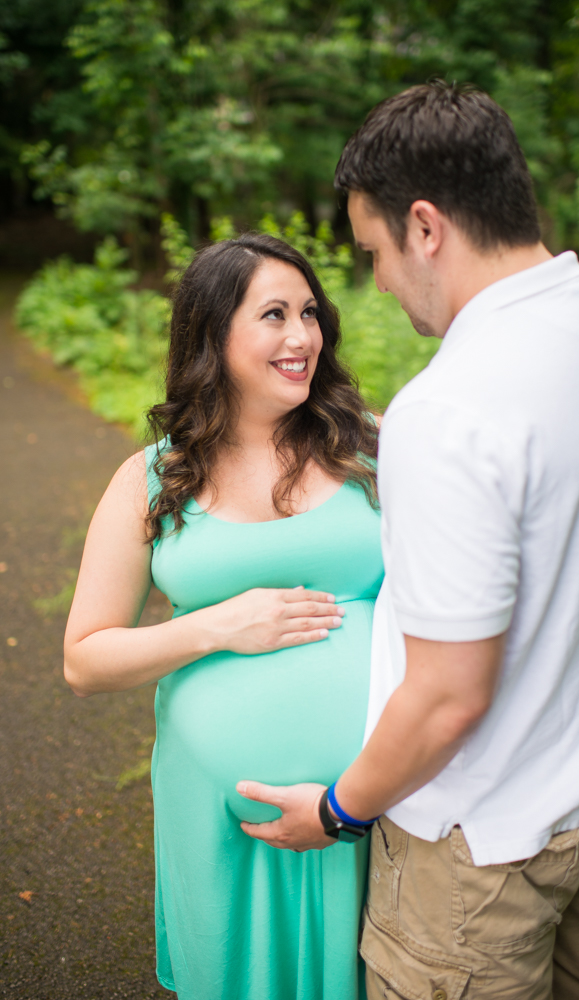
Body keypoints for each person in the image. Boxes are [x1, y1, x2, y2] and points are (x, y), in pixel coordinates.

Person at [238, 83, 579, 1000]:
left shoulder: (456, 406)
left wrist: (340, 809)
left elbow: (445, 697)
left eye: (373, 252)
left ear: (424, 226)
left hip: (478, 856)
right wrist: (408, 439)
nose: (378, 283)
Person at [63, 233, 384, 1000]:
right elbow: (84, 659)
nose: (301, 336)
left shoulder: (369, 449)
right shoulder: (151, 478)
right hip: (219, 819)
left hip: (370, 807)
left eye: (309, 313)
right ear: (213, 333)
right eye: (273, 314)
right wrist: (216, 626)